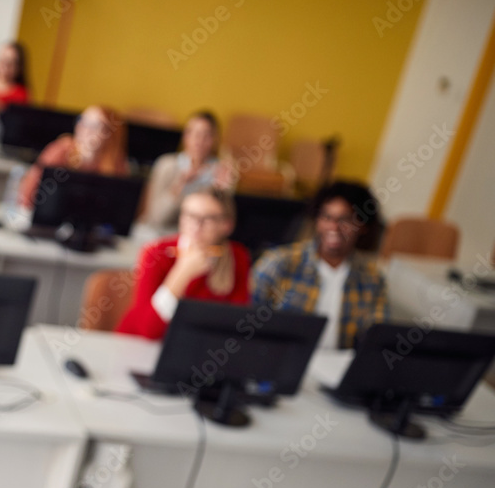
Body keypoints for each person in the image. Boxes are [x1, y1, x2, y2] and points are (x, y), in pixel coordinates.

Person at [251, 180, 388, 349]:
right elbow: (247, 321)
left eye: (344, 219)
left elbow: (376, 340)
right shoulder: (279, 263)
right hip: (281, 361)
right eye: (326, 217)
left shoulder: (372, 279)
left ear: (362, 225)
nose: (333, 227)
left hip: (339, 366)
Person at [116, 188, 251, 340]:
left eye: (209, 219)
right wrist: (183, 272)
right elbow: (149, 330)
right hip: (136, 345)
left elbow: (235, 324)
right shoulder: (156, 253)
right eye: (190, 216)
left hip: (192, 349)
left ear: (227, 225)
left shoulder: (237, 256)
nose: (196, 226)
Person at [138, 110, 235, 233]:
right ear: (185, 136)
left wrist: (222, 193)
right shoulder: (167, 165)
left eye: (207, 135)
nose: (199, 140)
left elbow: (223, 226)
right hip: (159, 233)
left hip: (197, 237)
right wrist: (178, 187)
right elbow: (157, 219)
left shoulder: (220, 171)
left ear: (215, 140)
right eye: (193, 133)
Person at [16, 105, 129, 209]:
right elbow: (28, 195)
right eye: (83, 121)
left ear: (110, 134)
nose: (84, 129)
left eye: (95, 125)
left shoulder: (116, 162)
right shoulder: (61, 150)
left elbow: (125, 209)